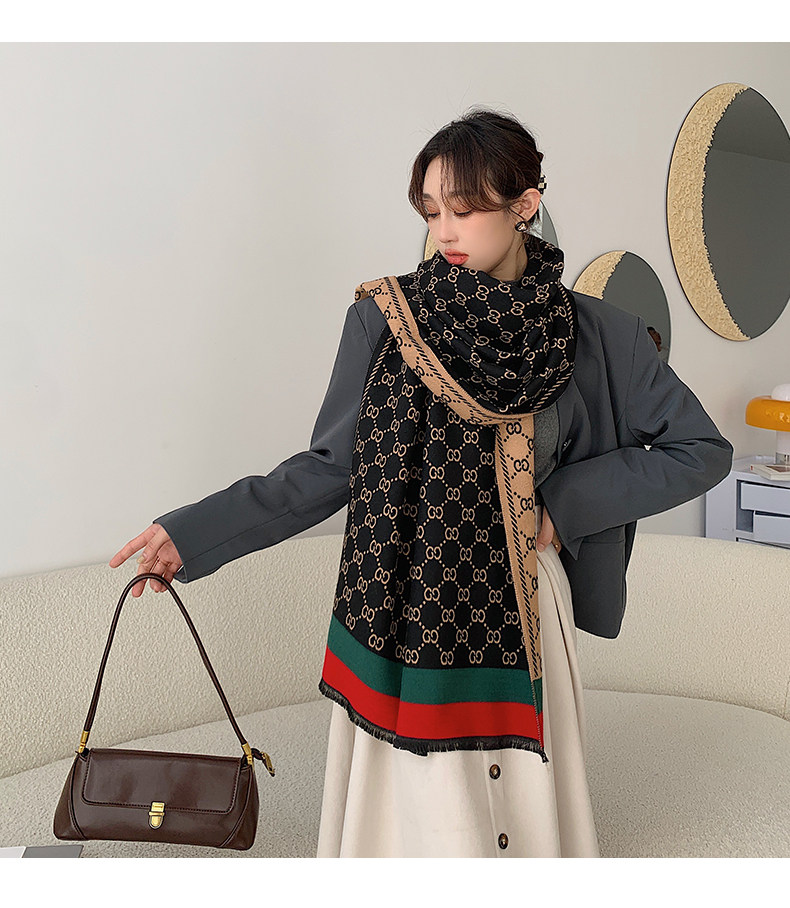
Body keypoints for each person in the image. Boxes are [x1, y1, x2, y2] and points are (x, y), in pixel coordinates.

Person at [110, 107, 734, 858]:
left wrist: (563, 507)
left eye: (464, 210)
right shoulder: (385, 320)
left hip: (527, 604)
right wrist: (192, 533)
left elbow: (700, 450)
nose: (444, 232)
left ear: (526, 203)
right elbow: (329, 469)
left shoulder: (602, 334)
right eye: (432, 211)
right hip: (406, 607)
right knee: (424, 830)